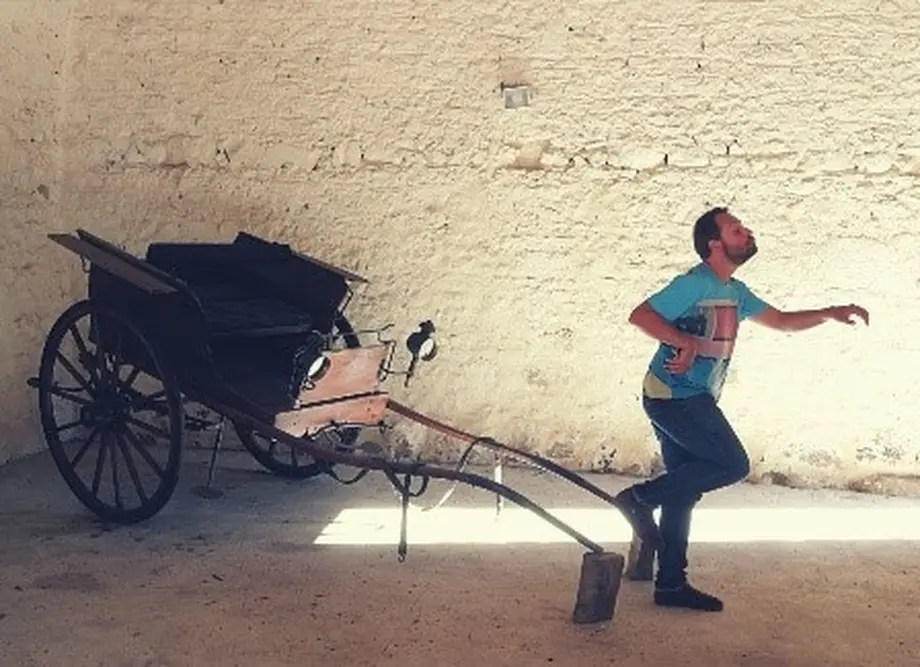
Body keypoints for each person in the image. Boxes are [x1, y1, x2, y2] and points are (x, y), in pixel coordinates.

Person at [611, 206, 869, 612]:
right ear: (715, 244)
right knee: (732, 464)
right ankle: (638, 498)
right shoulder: (694, 283)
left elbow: (782, 321)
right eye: (736, 230)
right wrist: (684, 341)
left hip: (690, 396)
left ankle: (671, 585)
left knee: (682, 489)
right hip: (673, 396)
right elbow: (641, 315)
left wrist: (828, 313)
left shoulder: (735, 291)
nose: (747, 233)